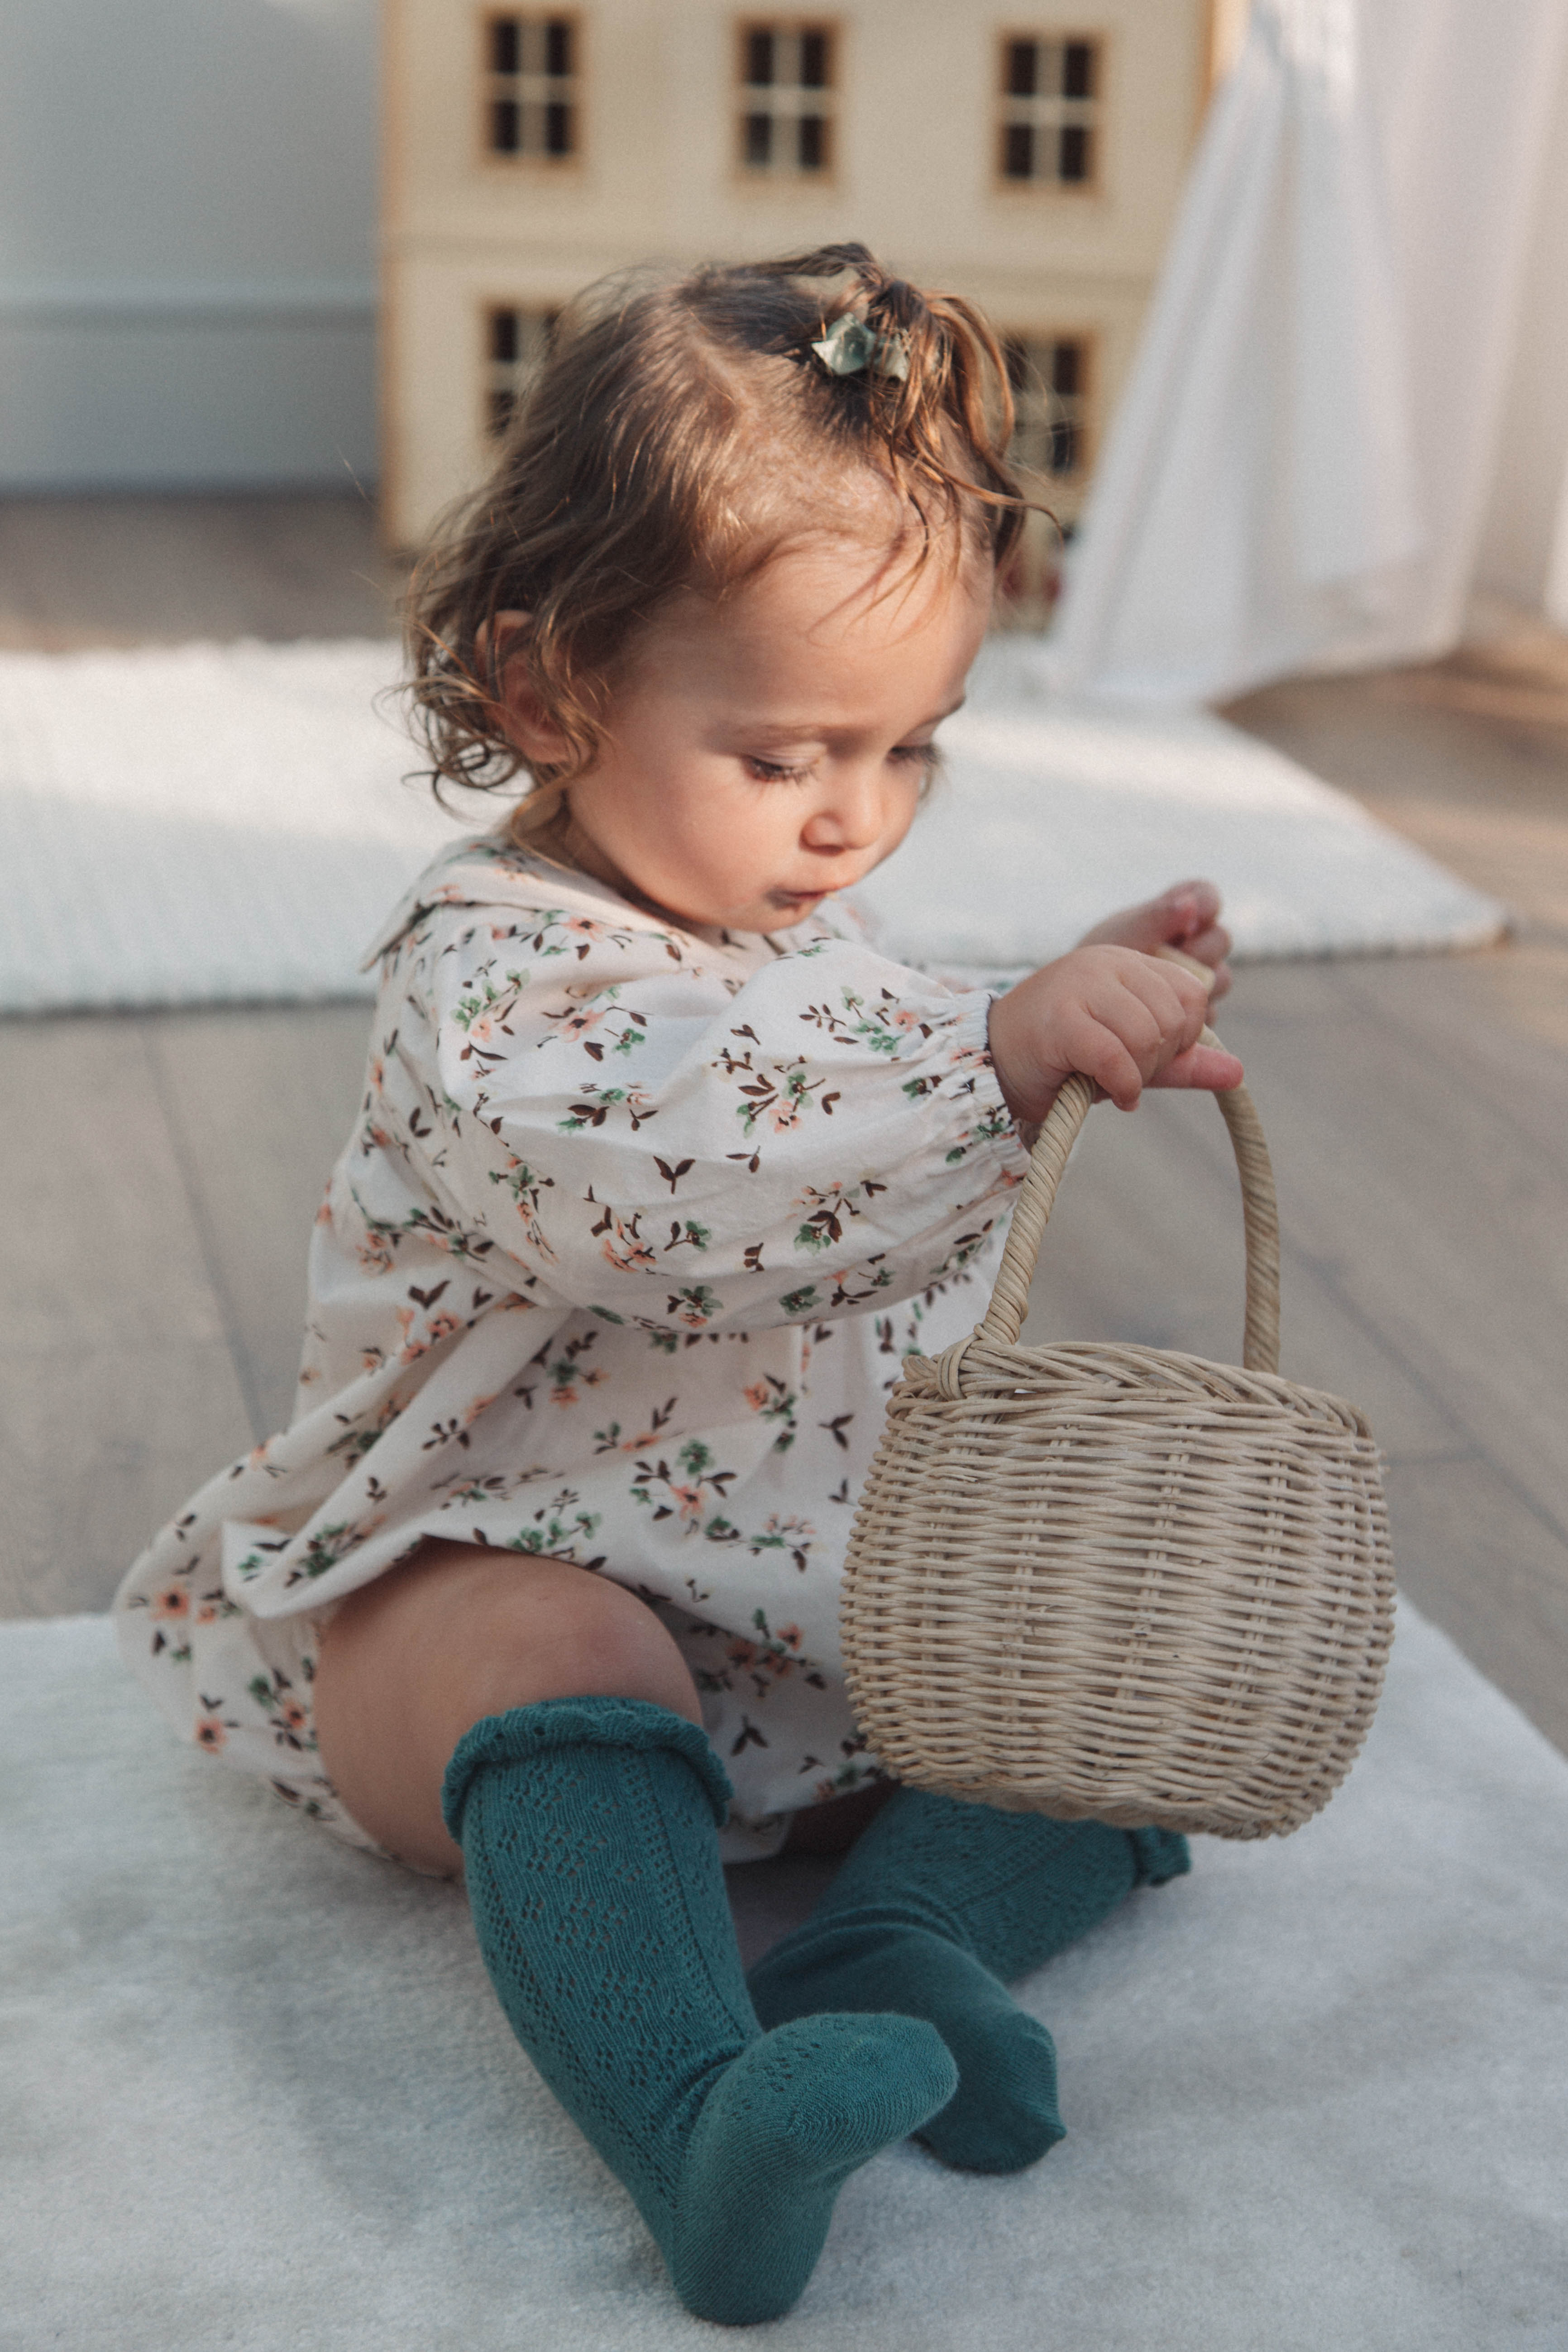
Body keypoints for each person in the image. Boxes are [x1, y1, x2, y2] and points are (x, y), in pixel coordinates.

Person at [115, 245, 1240, 2326]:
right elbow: (698, 1177)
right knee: (554, 1654)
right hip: (461, 1581)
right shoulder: (495, 980)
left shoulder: (808, 947)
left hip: (811, 1635)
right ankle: (691, 2108)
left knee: (1101, 1700)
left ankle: (892, 1941)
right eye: (786, 752)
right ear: (548, 693)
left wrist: (1054, 1014)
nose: (851, 820)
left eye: (912, 750)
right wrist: (984, 1056)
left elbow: (875, 1142)